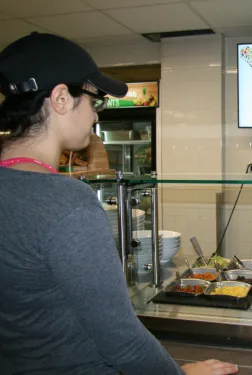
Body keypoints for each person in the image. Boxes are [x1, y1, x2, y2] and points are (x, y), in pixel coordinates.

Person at [0, 33, 238, 375]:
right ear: (62, 99)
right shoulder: (69, 205)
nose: (96, 116)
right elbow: (122, 341)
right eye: (94, 101)